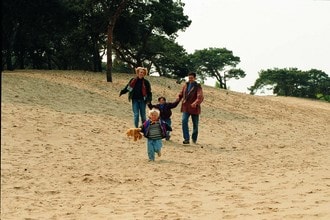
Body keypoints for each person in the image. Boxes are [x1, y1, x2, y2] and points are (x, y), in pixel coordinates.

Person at [176, 72, 204, 144]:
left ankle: (194, 139)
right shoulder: (185, 85)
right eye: (189, 78)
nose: (190, 79)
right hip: (186, 107)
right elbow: (181, 94)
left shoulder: (198, 86)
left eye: (192, 78)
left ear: (195, 78)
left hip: (194, 108)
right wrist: (177, 100)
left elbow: (200, 96)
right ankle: (186, 139)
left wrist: (195, 102)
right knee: (184, 121)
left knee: (195, 124)